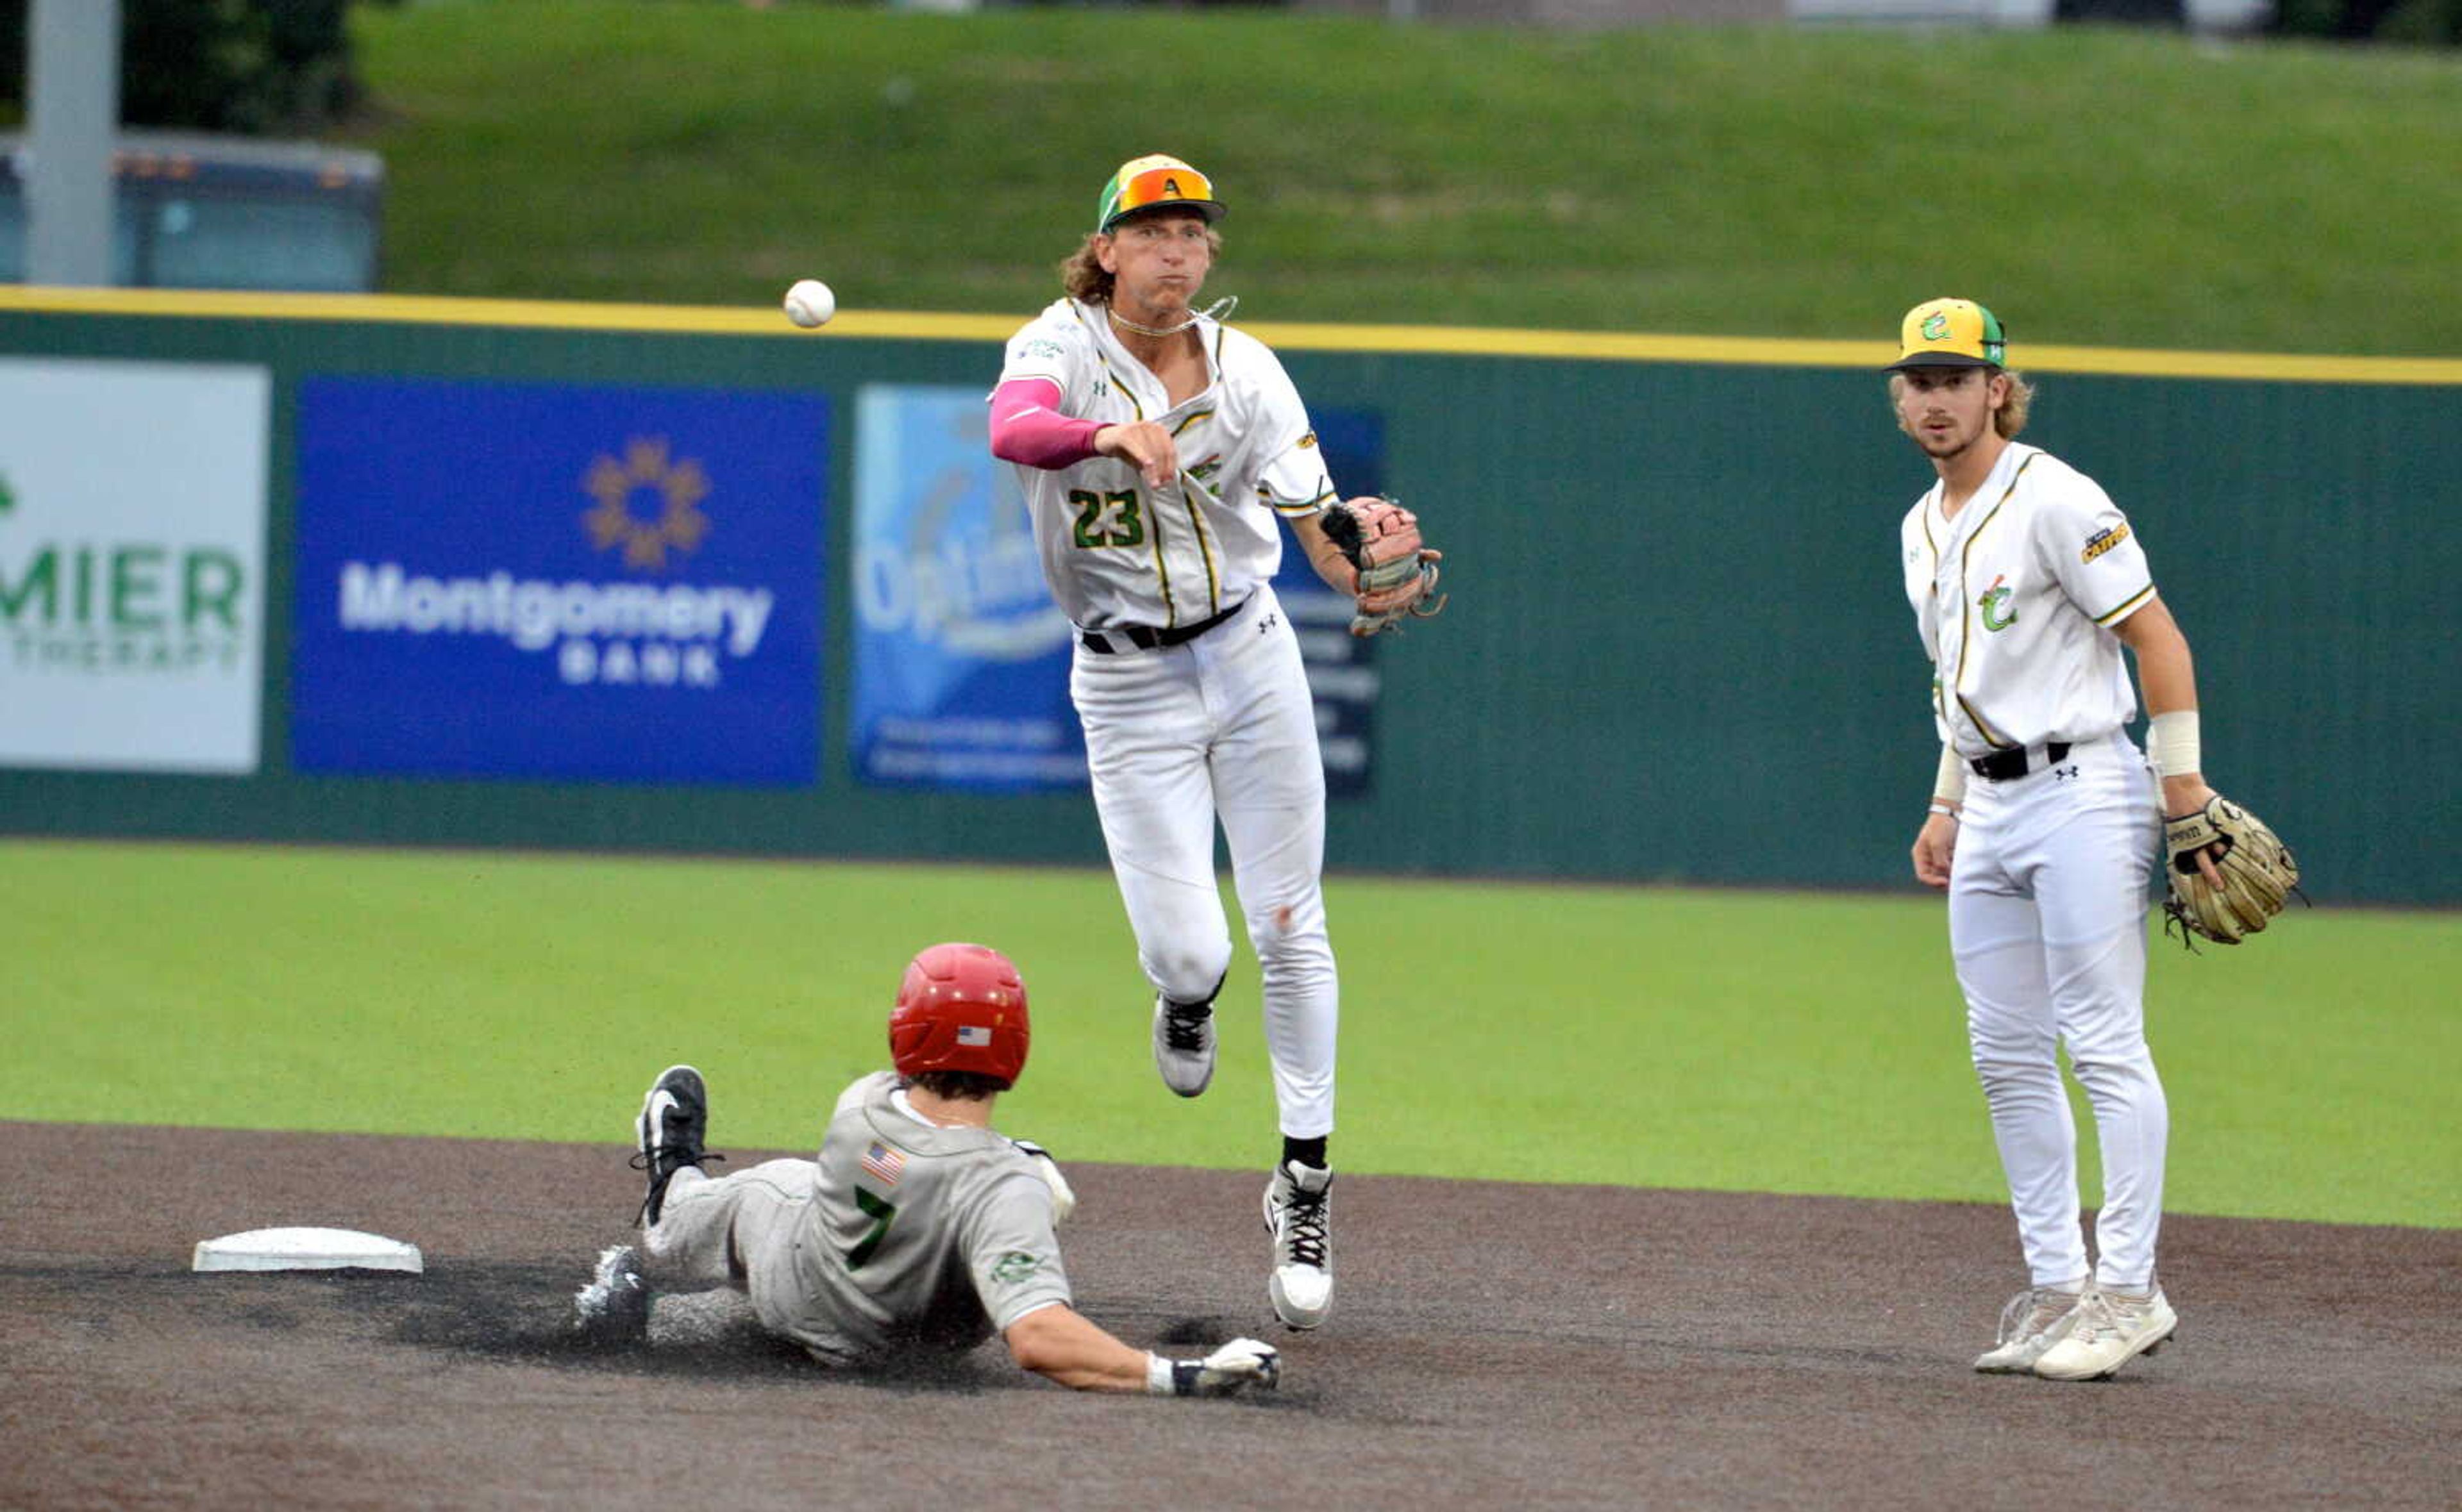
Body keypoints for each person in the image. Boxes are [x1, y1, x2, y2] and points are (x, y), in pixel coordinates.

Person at [985, 153, 1411, 1331]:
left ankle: (1306, 1181)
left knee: (1290, 917)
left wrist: (1356, 552)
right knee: (1188, 951)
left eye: (1194, 231)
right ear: (1107, 249)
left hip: (1250, 649)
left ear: (1210, 255)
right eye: (1152, 229)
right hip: (1126, 684)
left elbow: (1314, 520)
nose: (1176, 248)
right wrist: (1104, 440)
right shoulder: (1058, 348)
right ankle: (1184, 994)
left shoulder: (1250, 374)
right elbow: (1014, 433)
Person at [1890, 297, 2215, 1382]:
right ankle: (2059, 1287)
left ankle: (2130, 1288)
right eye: (1918, 380)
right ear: (1900, 398)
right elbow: (1959, 681)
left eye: (1955, 378)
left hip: (2086, 787)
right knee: (2005, 1051)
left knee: (2103, 1040)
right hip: (1987, 802)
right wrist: (1945, 803)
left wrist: (2185, 794)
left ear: (1998, 387)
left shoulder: (2058, 495)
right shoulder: (1918, 523)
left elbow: (2156, 635)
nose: (1936, 398)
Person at [571, 941, 1281, 1398]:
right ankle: (666, 1256)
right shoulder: (1004, 1190)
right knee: (810, 1242)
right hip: (886, 1347)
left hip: (800, 1275)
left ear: (905, 1031)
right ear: (1017, 1051)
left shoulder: (862, 1106)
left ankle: (661, 1241)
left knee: (773, 1191)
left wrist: (1025, 1170)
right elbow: (1037, 1339)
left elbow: (923, 1156)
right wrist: (1177, 1374)